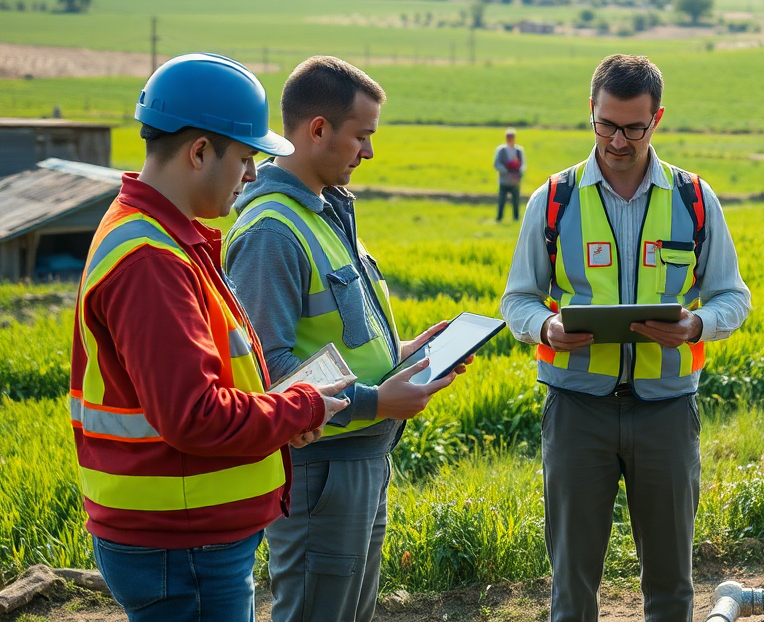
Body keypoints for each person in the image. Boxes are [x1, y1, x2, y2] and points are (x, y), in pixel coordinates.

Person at [69, 53, 351, 622]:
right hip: (182, 540)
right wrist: (298, 407)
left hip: (184, 534)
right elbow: (194, 415)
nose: (252, 175)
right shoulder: (151, 260)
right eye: (246, 157)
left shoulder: (161, 238)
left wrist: (275, 415)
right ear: (200, 151)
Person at [500, 54, 750, 622]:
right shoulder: (554, 199)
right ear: (591, 110)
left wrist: (694, 325)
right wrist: (545, 326)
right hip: (575, 408)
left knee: (670, 583)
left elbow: (732, 295)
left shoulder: (693, 198)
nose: (617, 140)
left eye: (633, 127)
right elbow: (517, 297)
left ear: (656, 118)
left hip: (666, 409)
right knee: (573, 583)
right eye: (606, 124)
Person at [224, 56, 467, 622]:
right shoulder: (272, 232)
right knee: (315, 610)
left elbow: (332, 340)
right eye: (362, 136)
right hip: (321, 469)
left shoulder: (325, 214)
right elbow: (270, 370)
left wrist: (404, 354)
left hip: (359, 459)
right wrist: (378, 401)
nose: (369, 151)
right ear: (317, 130)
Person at [495, 127, 526, 221]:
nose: (510, 138)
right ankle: (499, 218)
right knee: (501, 200)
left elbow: (523, 164)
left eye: (511, 136)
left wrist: (519, 173)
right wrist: (506, 170)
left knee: (516, 201)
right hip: (504, 180)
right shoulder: (501, 150)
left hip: (515, 181)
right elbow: (497, 164)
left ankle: (516, 218)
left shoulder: (519, 150)